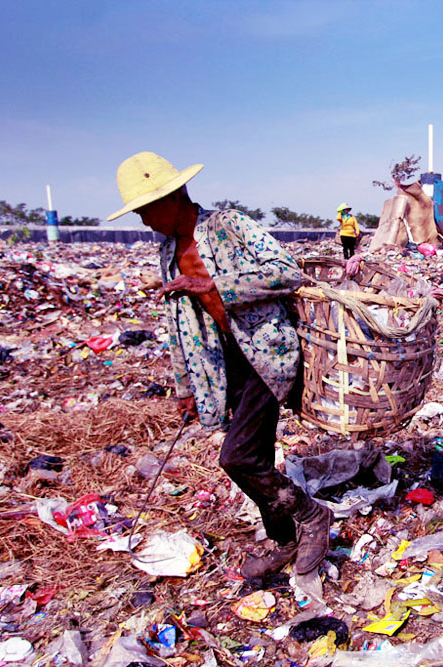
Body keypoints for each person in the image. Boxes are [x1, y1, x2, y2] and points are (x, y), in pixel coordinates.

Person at [107, 151, 333, 579]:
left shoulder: (227, 225)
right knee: (257, 454)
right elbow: (177, 324)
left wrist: (214, 284)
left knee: (237, 457)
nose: (143, 221)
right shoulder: (168, 251)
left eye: (145, 210)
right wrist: (185, 389)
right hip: (223, 362)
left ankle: (312, 515)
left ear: (174, 197)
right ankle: (284, 540)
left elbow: (288, 273)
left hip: (267, 351)